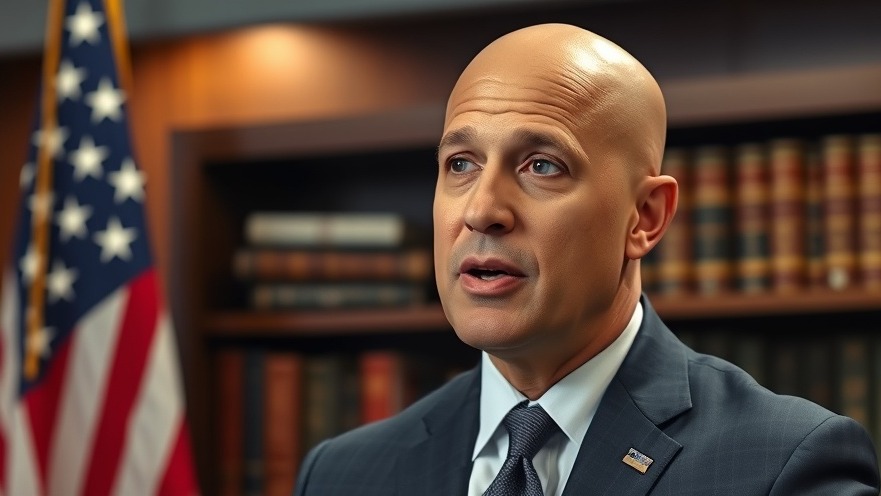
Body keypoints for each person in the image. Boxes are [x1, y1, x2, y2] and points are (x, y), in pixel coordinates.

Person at [293, 23, 880, 495]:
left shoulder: (786, 466)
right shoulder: (344, 474)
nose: (482, 211)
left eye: (542, 165)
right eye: (461, 164)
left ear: (645, 217)